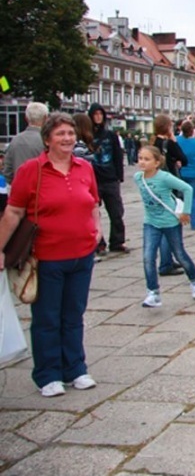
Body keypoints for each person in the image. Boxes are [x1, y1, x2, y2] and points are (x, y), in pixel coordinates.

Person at [0, 112, 101, 397]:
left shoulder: (84, 167)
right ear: (47, 139)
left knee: (74, 314)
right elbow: (14, 211)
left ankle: (76, 368)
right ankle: (48, 374)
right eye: (60, 134)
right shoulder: (32, 170)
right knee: (47, 317)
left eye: (70, 133)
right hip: (47, 257)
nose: (67, 139)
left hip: (81, 254)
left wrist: (97, 232)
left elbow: (92, 203)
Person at [134, 145, 195, 309]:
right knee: (148, 257)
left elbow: (187, 188)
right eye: (140, 158)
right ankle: (153, 292)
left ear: (157, 162)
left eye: (147, 159)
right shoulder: (138, 177)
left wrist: (186, 212)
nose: (142, 162)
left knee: (179, 253)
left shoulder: (164, 177)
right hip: (151, 222)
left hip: (170, 221)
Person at [151, 115, 189, 276]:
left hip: (155, 187)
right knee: (171, 225)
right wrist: (173, 140)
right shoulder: (169, 144)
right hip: (169, 187)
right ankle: (166, 263)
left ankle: (167, 259)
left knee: (161, 224)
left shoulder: (153, 144)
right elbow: (184, 159)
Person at [88, 103, 128, 254]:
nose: (98, 117)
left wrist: (119, 176)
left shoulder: (110, 135)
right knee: (93, 213)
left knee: (116, 212)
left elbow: (118, 156)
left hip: (110, 178)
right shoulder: (88, 136)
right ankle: (99, 242)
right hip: (94, 179)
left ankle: (117, 241)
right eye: (95, 115)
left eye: (100, 114)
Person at [3, 101, 48, 187]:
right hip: (42, 190)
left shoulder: (15, 140)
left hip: (19, 189)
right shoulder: (48, 141)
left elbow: (7, 171)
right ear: (46, 118)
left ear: (26, 118)